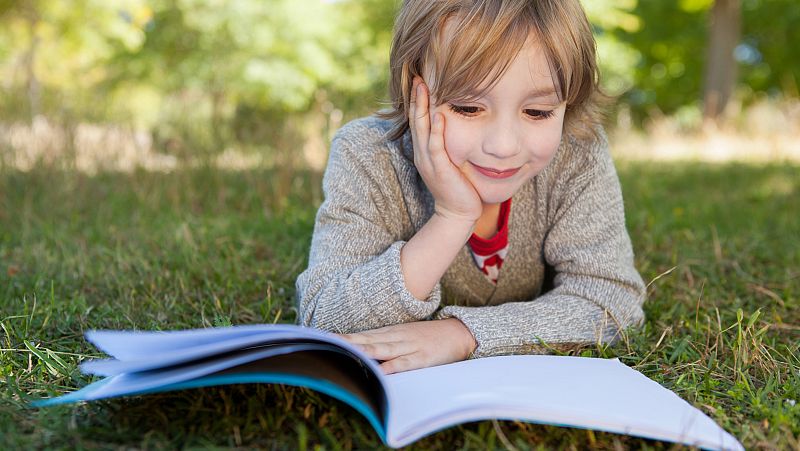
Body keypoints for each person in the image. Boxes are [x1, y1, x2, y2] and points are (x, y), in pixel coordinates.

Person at [295, 0, 646, 374]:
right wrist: (451, 218)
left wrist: (464, 334)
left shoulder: (577, 153)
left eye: (538, 112)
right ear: (413, 88)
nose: (503, 146)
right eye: (467, 107)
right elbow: (325, 319)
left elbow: (613, 302)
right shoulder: (368, 154)